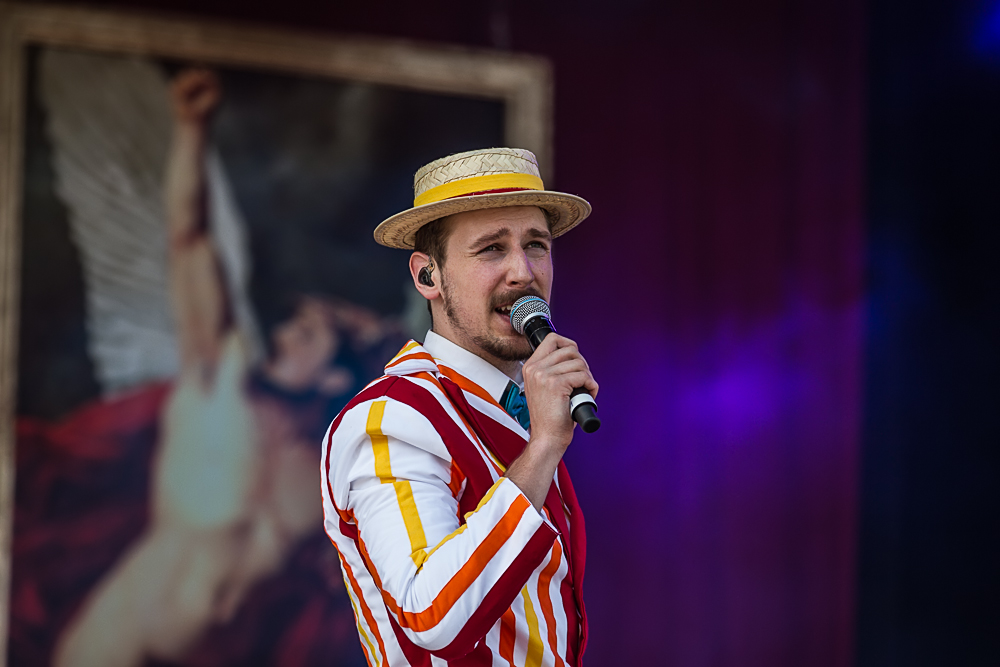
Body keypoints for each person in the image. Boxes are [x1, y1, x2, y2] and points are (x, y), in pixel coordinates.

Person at [53, 68, 390, 667]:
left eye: (308, 334)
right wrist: (191, 129)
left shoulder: (330, 472)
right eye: (290, 324)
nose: (282, 335)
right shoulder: (219, 379)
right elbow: (189, 240)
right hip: (116, 645)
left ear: (336, 378)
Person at [322, 147, 597, 666]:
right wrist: (543, 447)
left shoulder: (517, 408)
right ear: (428, 277)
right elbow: (433, 615)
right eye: (492, 249)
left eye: (535, 245)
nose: (523, 272)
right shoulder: (392, 416)